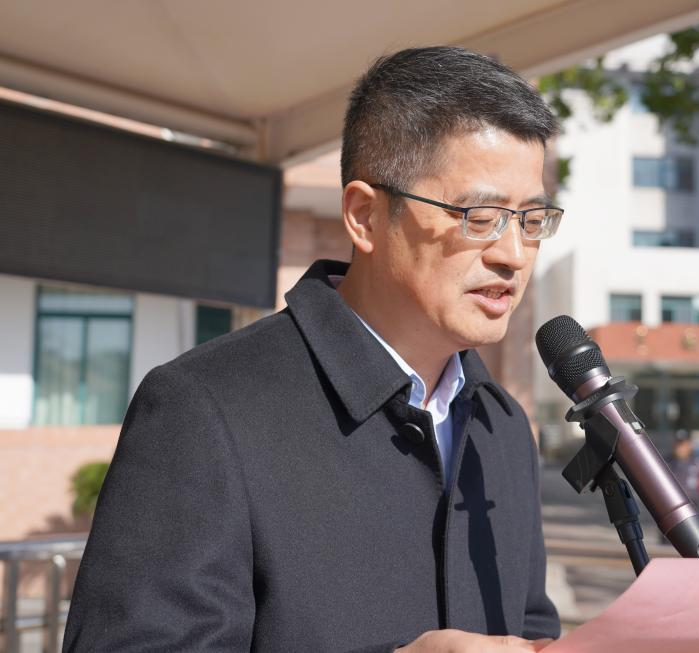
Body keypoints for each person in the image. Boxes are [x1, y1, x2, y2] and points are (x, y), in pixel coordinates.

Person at [63, 46, 563, 652]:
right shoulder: (204, 408)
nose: (513, 254)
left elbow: (531, 627)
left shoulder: (501, 426)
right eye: (480, 216)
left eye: (531, 219)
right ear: (364, 216)